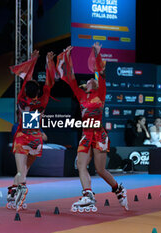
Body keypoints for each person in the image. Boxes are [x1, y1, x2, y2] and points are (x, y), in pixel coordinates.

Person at [59, 43, 128, 212]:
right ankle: (88, 195)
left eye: (93, 79)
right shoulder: (81, 95)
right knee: (81, 165)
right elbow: (71, 77)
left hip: (99, 135)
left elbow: (101, 72)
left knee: (100, 169)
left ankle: (118, 189)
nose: (91, 80)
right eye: (90, 79)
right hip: (85, 135)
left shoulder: (101, 93)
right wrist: (67, 57)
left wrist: (97, 53)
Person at [7, 50, 55, 211]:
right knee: (24, 171)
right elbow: (49, 83)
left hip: (22, 138)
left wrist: (33, 60)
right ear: (38, 92)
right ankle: (12, 194)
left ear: (26, 91)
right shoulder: (42, 102)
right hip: (36, 140)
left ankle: (18, 196)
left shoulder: (21, 100)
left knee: (21, 172)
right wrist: (49, 62)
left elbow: (27, 77)